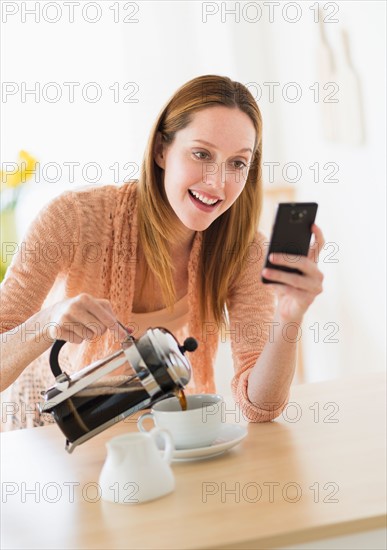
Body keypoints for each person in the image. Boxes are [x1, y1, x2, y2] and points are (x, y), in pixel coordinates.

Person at [0, 75, 324, 430]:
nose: (217, 182)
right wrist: (46, 323)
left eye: (237, 163)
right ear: (161, 151)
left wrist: (289, 317)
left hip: (156, 441)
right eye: (201, 154)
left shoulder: (243, 250)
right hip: (44, 436)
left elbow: (261, 407)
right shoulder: (72, 219)